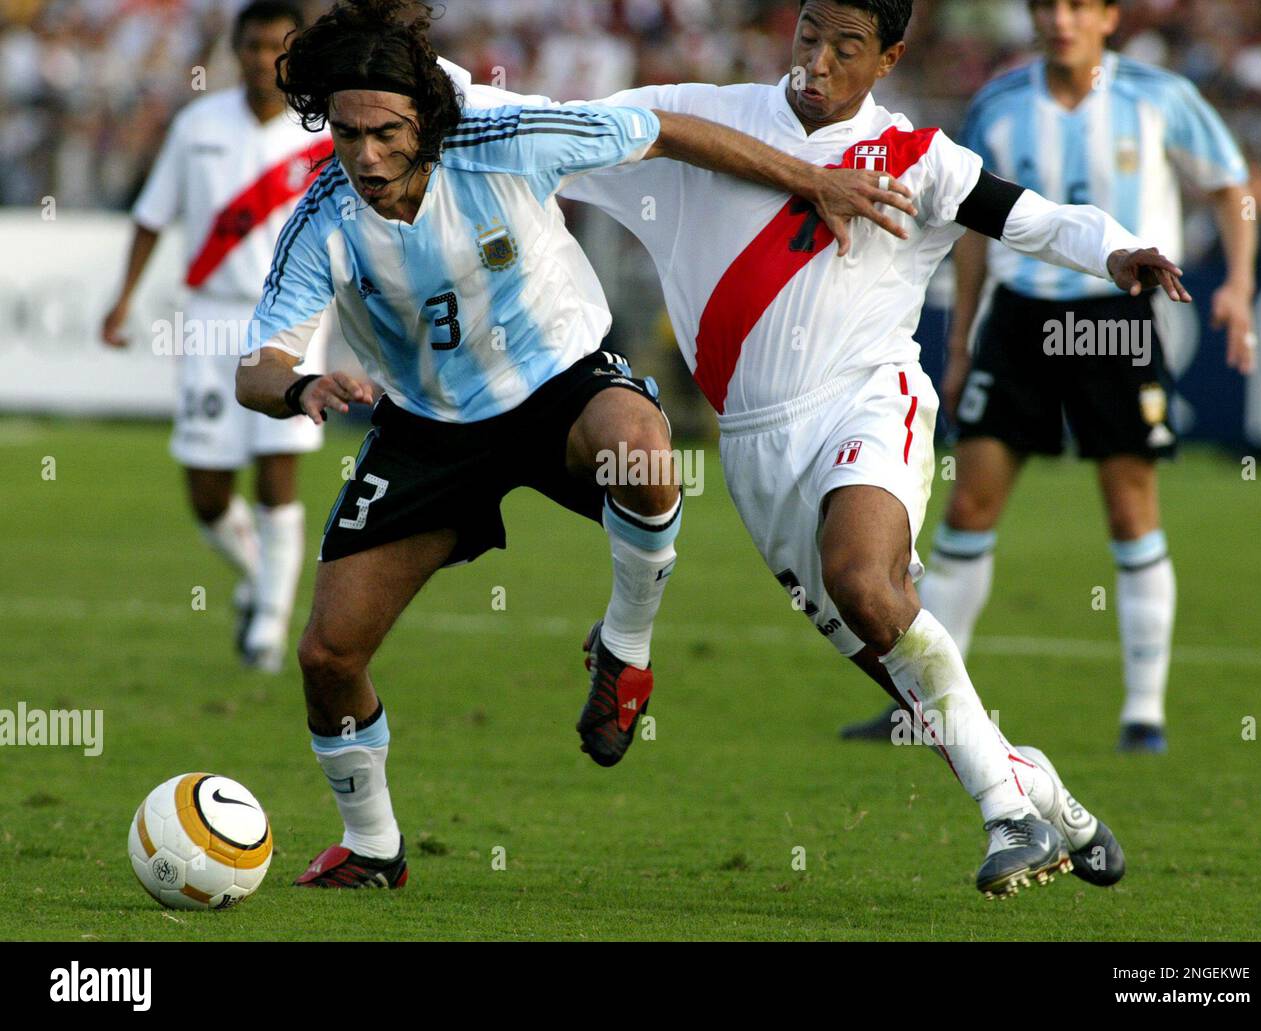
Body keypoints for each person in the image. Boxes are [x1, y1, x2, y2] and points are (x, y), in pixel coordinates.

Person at [481, 0, 1193, 896]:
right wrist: (440, 94)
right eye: (808, 35)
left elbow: (1037, 219)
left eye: (845, 47)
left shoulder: (917, 160)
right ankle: (1033, 784)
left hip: (869, 398)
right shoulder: (706, 118)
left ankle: (1008, 818)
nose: (816, 61)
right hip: (753, 450)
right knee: (904, 673)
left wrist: (1119, 250)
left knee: (864, 578)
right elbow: (554, 133)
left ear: (889, 56)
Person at [234, 0, 910, 889]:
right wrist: (300, 386)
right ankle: (373, 847)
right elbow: (258, 362)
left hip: (561, 383)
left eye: (386, 131)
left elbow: (665, 129)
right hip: (429, 430)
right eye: (349, 133)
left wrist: (808, 180)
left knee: (644, 456)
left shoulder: (508, 135)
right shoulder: (324, 210)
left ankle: (625, 649)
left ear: (425, 117)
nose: (365, 155)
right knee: (327, 654)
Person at [842, 0, 1255, 753]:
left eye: (1077, 6)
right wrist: (963, 334)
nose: (1060, 19)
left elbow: (1231, 182)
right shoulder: (998, 102)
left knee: (1131, 508)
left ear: (1108, 16)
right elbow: (971, 220)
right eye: (1047, 7)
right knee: (968, 502)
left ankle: (1143, 714)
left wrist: (1238, 282)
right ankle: (924, 704)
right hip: (1019, 319)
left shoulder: (1158, 98)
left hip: (1114, 316)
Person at [102, 1, 332, 673]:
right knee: (206, 490)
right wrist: (122, 300)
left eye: (277, 46)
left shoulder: (322, 131)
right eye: (254, 45)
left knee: (277, 471)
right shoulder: (197, 125)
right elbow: (151, 217)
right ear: (235, 48)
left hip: (292, 317)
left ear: (295, 52)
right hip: (208, 318)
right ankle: (260, 575)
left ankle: (268, 622)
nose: (264, 58)